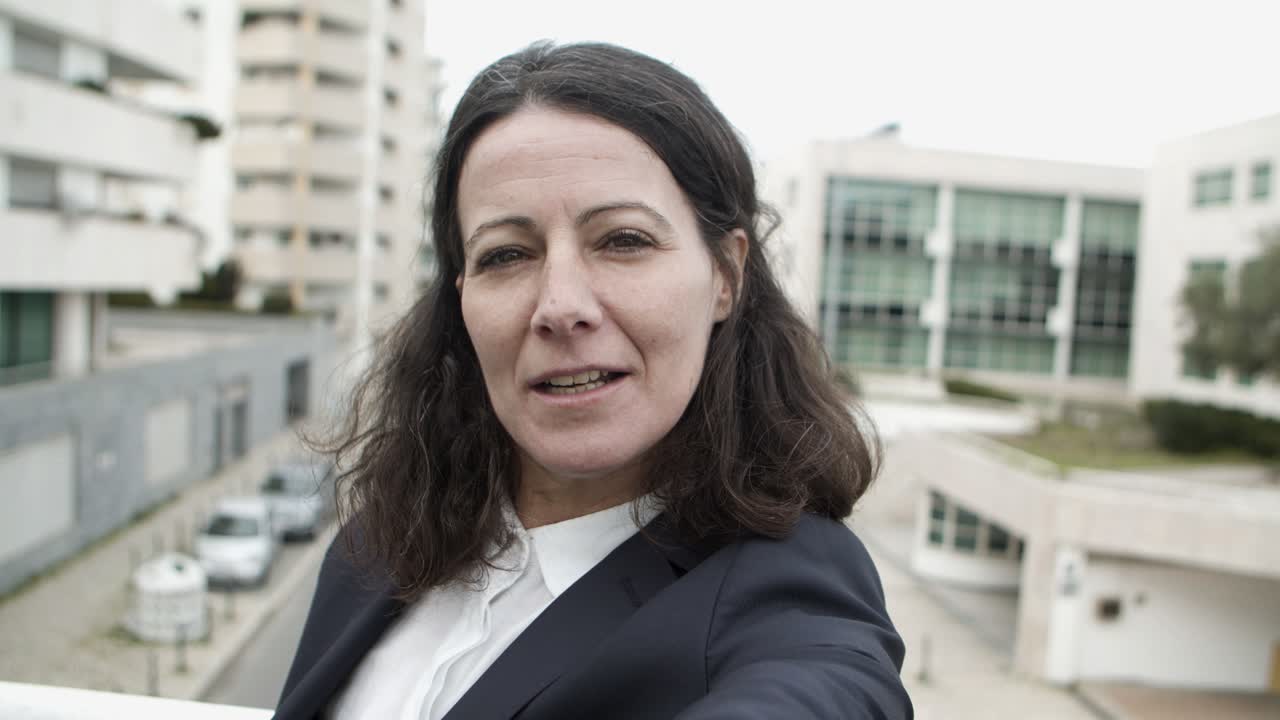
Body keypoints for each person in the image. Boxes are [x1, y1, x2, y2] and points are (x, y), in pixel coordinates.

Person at [275, 41, 912, 720]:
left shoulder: (788, 587)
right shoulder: (383, 541)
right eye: (507, 254)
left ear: (726, 274)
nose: (560, 307)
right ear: (461, 295)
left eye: (623, 241)